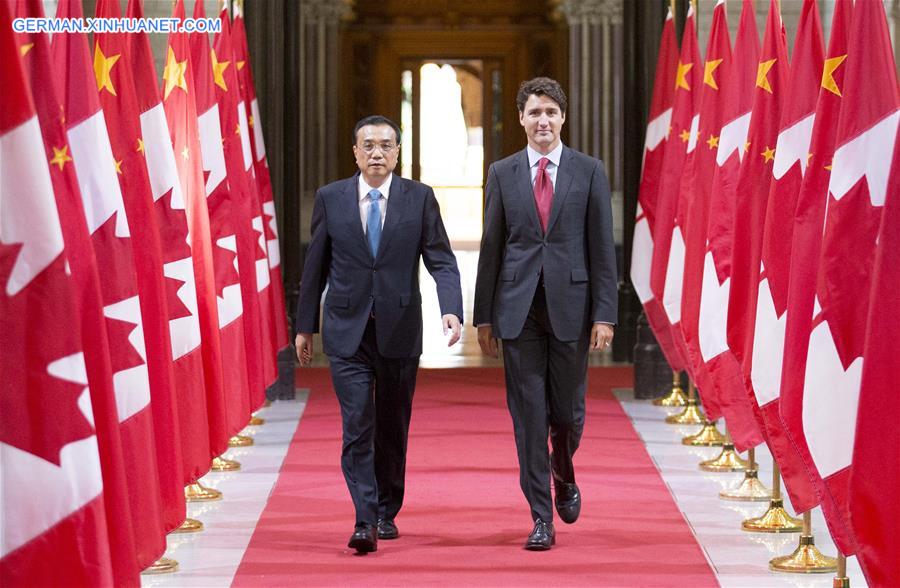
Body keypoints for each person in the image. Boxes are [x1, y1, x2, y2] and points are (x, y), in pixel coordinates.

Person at [295, 115, 463, 554]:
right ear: (354, 152)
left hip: (399, 330)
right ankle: (364, 519)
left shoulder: (419, 199)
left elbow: (441, 259)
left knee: (392, 425)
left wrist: (451, 310)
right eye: (368, 145)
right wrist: (304, 326)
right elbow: (315, 266)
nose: (376, 153)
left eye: (386, 145)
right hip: (347, 332)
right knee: (357, 423)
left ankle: (388, 508)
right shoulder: (331, 199)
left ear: (397, 152)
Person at [473, 77, 617, 550]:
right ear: (521, 118)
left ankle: (564, 469)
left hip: (572, 310)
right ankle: (540, 518)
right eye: (534, 112)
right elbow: (492, 247)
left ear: (563, 118)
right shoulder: (502, 172)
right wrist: (484, 317)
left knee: (569, 414)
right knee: (530, 416)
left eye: (551, 113)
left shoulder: (589, 171)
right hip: (518, 311)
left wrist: (605, 314)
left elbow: (601, 247)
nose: (543, 121)